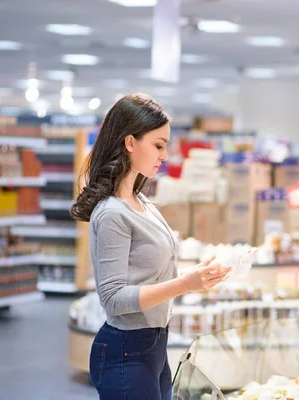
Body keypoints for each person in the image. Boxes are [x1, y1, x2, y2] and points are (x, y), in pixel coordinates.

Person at [70, 93, 230, 400]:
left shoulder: (142, 202)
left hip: (153, 347)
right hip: (126, 351)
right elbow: (114, 299)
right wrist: (185, 284)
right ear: (130, 142)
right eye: (158, 145)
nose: (165, 155)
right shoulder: (112, 213)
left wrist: (196, 276)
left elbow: (150, 275)